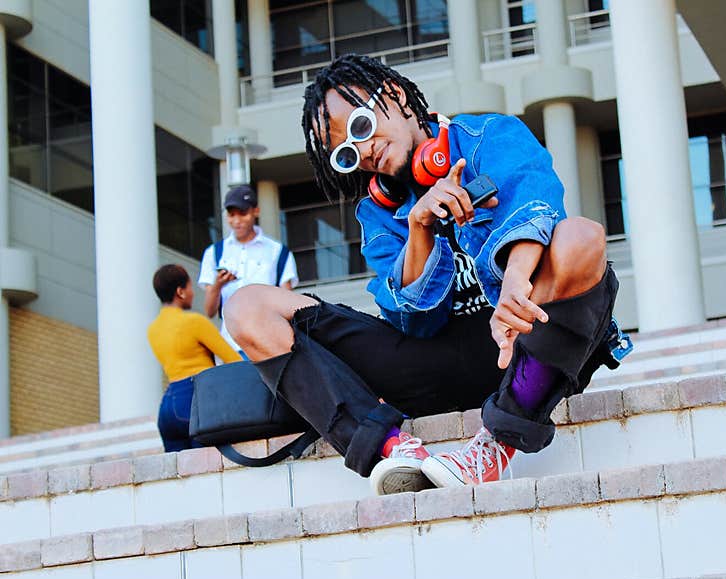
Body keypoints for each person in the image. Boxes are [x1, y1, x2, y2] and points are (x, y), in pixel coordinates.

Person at [223, 54, 625, 496]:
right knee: (245, 306)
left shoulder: (489, 136)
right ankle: (393, 450)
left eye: (360, 127)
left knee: (581, 237)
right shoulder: (376, 214)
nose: (364, 151)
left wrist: (515, 282)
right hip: (431, 362)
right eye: (345, 153)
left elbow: (537, 205)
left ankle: (496, 442)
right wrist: (420, 229)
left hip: (520, 344)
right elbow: (413, 323)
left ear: (395, 96)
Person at [147, 264, 242, 452]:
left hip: (168, 407)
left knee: (182, 477)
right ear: (180, 291)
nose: (192, 293)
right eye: (190, 287)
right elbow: (233, 361)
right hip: (195, 399)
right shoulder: (194, 322)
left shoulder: (153, 330)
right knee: (208, 470)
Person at [197, 184, 299, 356]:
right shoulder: (214, 252)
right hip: (231, 345)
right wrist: (218, 285)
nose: (236, 221)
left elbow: (288, 304)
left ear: (256, 211)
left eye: (242, 214)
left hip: (269, 342)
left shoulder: (277, 252)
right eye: (231, 215)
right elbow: (209, 311)